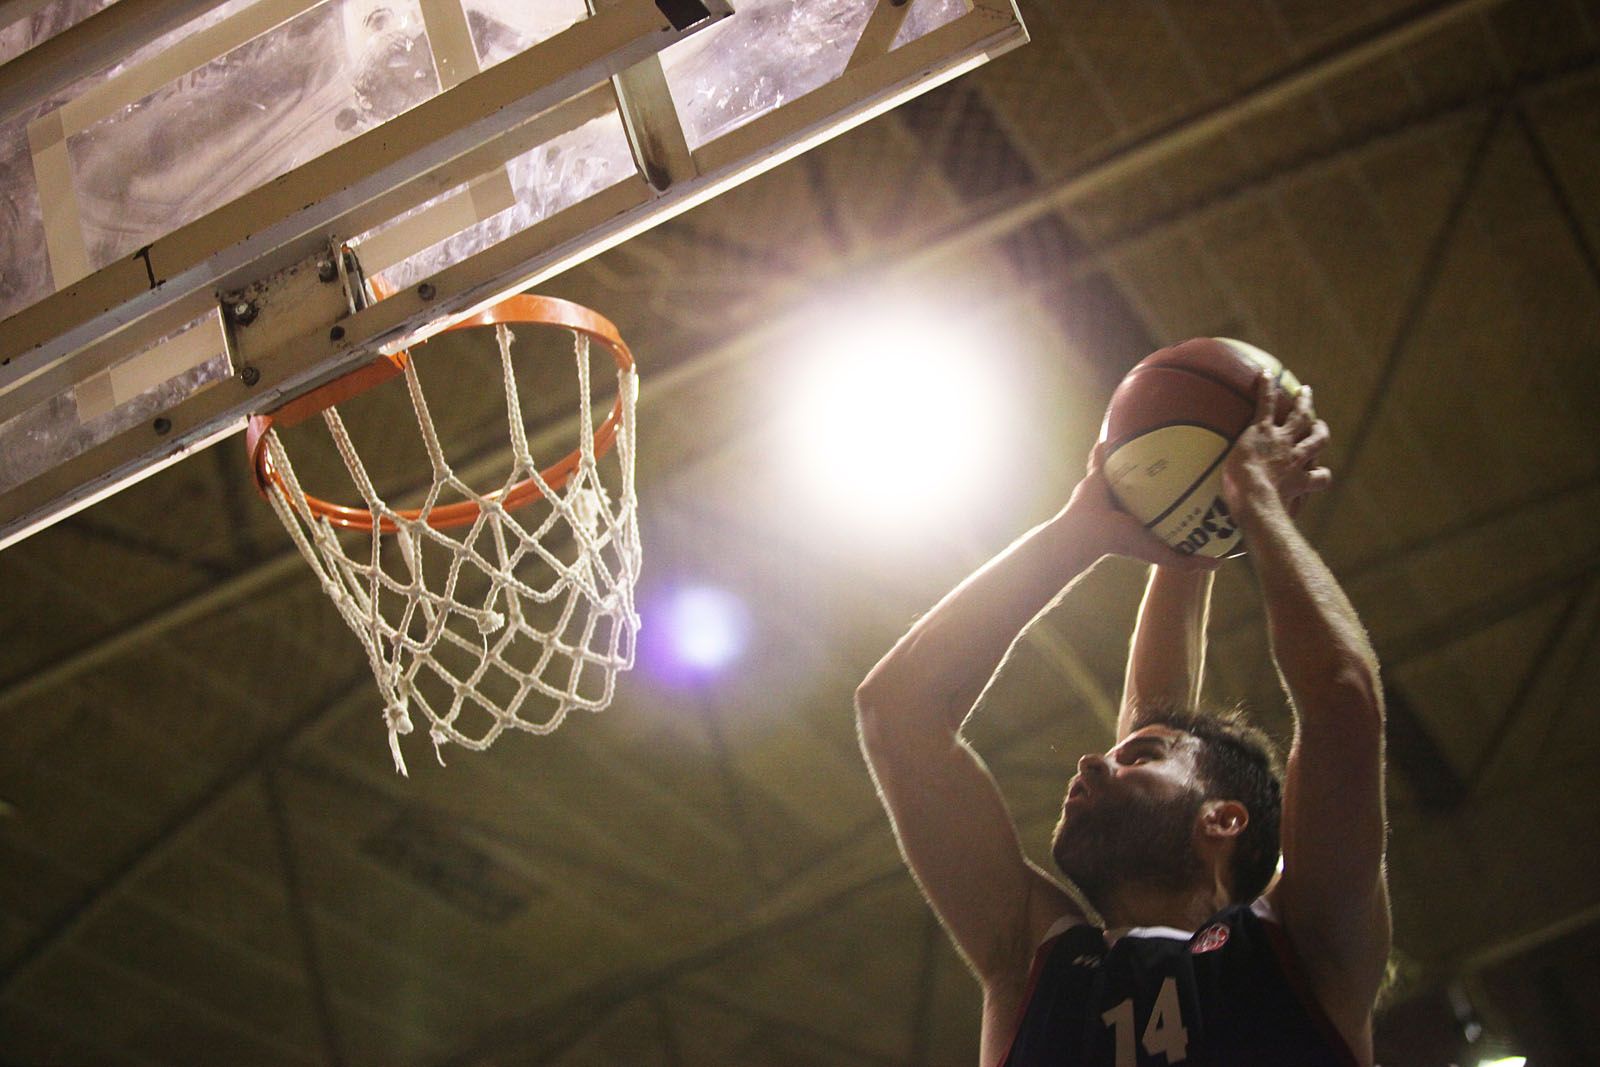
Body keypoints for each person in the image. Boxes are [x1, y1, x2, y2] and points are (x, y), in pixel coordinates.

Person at [855, 367, 1389, 1066]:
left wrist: (1254, 506)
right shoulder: (1033, 960)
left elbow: (1342, 701)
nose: (1090, 758)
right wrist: (1076, 533)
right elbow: (894, 712)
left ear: (1225, 819)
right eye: (1125, 754)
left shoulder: (1303, 943)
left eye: (1134, 757)